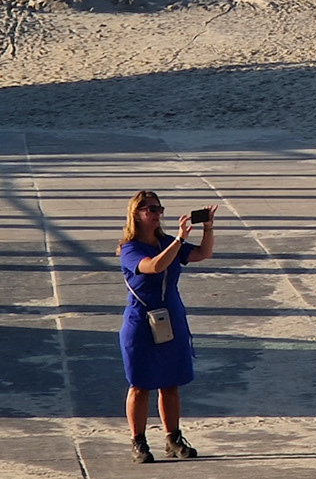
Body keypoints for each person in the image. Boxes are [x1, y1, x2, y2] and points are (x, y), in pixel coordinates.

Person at [118, 190, 217, 464]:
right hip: (141, 320)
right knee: (139, 384)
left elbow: (203, 253)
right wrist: (179, 239)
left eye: (159, 209)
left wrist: (207, 229)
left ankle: (173, 438)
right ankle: (138, 441)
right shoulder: (130, 248)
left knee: (170, 383)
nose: (156, 214)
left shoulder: (165, 240)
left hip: (171, 317)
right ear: (136, 214)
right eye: (150, 209)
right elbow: (154, 265)